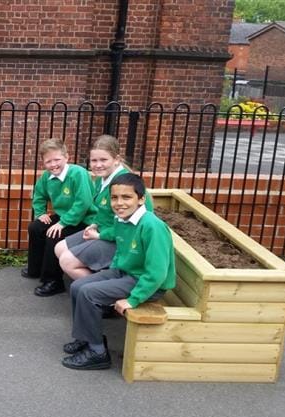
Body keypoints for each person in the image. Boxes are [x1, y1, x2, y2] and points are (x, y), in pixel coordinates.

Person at [61, 173, 175, 370]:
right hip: (125, 273)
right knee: (79, 286)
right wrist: (110, 271)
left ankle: (97, 353)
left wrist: (133, 299)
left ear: (141, 199)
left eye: (126, 197)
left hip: (145, 283)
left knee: (89, 293)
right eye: (114, 198)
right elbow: (118, 245)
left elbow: (157, 273)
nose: (119, 203)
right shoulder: (122, 220)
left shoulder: (152, 226)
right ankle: (86, 337)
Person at [55, 135, 152, 280]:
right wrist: (95, 224)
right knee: (60, 248)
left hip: (122, 242)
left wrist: (99, 236)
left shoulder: (124, 185)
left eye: (103, 160)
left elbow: (132, 227)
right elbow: (105, 212)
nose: (98, 165)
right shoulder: (102, 179)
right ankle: (96, 279)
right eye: (94, 160)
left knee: (67, 261)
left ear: (117, 160)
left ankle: (101, 291)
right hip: (104, 231)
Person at [21, 138, 97, 297]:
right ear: (43, 163)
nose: (53, 164)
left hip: (85, 220)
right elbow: (39, 195)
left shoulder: (78, 173)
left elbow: (83, 203)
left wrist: (63, 223)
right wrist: (41, 213)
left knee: (54, 234)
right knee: (35, 227)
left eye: (57, 159)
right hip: (65, 217)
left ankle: (53, 281)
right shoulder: (46, 177)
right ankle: (36, 268)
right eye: (48, 161)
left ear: (67, 157)